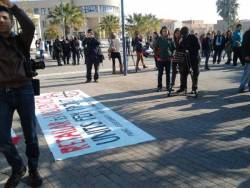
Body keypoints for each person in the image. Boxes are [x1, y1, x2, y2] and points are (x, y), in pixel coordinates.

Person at [0, 1, 43, 187]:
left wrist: (13, 7)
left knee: (31, 136)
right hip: (1, 94)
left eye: (4, 18)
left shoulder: (21, 40)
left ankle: (33, 170)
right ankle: (18, 167)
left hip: (24, 90)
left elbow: (29, 25)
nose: (1, 21)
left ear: (11, 20)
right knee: (1, 137)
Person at [177, 26, 200, 95]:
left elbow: (198, 47)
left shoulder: (193, 37)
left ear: (188, 33)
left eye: (185, 34)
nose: (183, 36)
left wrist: (189, 49)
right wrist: (179, 43)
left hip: (194, 59)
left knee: (194, 74)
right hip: (186, 59)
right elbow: (179, 49)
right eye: (182, 35)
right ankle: (183, 88)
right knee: (183, 73)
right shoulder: (182, 39)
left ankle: (194, 89)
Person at [155, 26, 175, 95]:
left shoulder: (170, 40)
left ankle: (168, 86)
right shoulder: (159, 39)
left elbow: (174, 49)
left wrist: (172, 55)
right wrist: (157, 57)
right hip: (160, 60)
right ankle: (159, 87)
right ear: (161, 32)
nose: (165, 32)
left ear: (168, 32)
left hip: (168, 60)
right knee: (160, 74)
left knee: (168, 74)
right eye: (163, 31)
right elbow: (155, 48)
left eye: (166, 31)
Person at [238, 28, 250, 93]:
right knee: (247, 73)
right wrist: (246, 55)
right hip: (248, 56)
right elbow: (244, 46)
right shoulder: (247, 33)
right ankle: (241, 87)